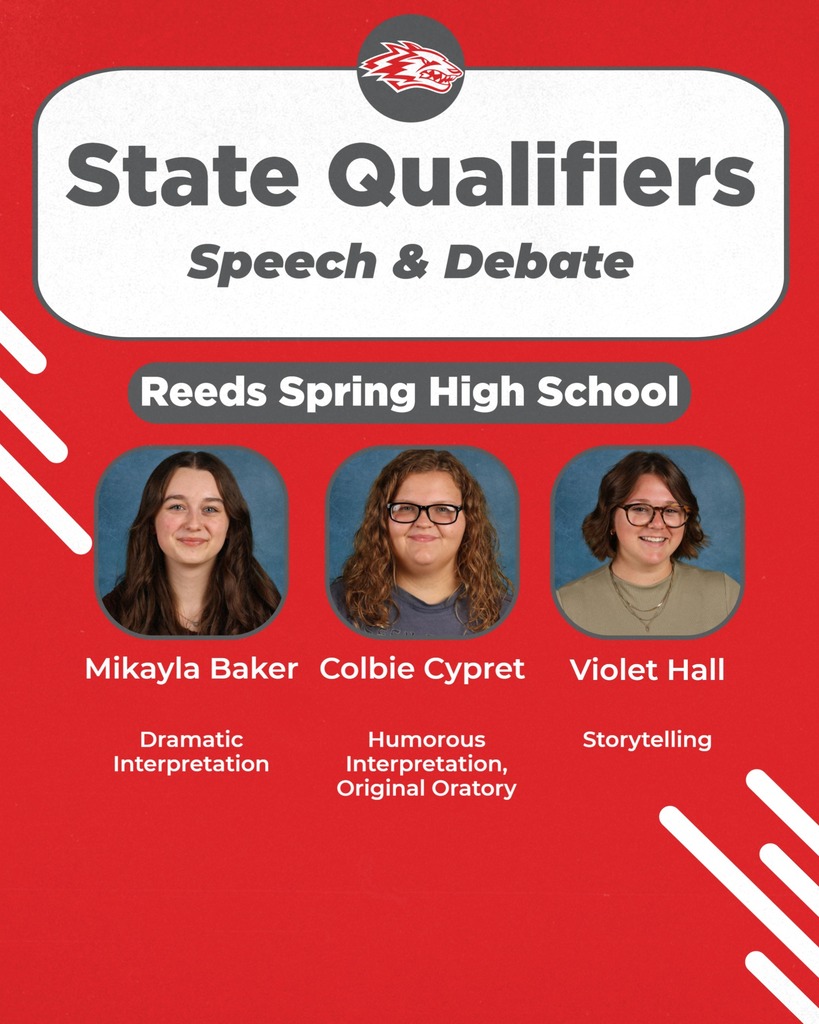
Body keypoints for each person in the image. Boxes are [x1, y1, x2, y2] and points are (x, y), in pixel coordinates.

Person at [331, 449, 513, 638]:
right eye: (407, 508)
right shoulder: (336, 606)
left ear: (469, 522)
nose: (424, 522)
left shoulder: (507, 616)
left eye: (443, 509)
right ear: (382, 519)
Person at [556, 451, 740, 636]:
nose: (657, 524)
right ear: (610, 518)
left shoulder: (725, 595)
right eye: (640, 508)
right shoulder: (566, 604)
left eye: (670, 510)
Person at [102, 451, 281, 635]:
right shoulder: (111, 615)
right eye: (177, 507)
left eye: (210, 509)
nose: (193, 524)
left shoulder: (267, 615)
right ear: (151, 522)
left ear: (231, 525)